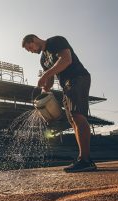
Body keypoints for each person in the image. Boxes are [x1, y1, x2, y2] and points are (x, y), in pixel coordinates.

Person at [22, 34, 97, 172]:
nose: (31, 51)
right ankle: (83, 158)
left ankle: (85, 160)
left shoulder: (55, 41)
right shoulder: (43, 59)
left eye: (30, 47)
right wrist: (44, 92)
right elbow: (50, 80)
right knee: (73, 120)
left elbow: (66, 60)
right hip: (66, 85)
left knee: (77, 115)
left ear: (34, 39)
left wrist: (45, 75)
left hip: (78, 77)